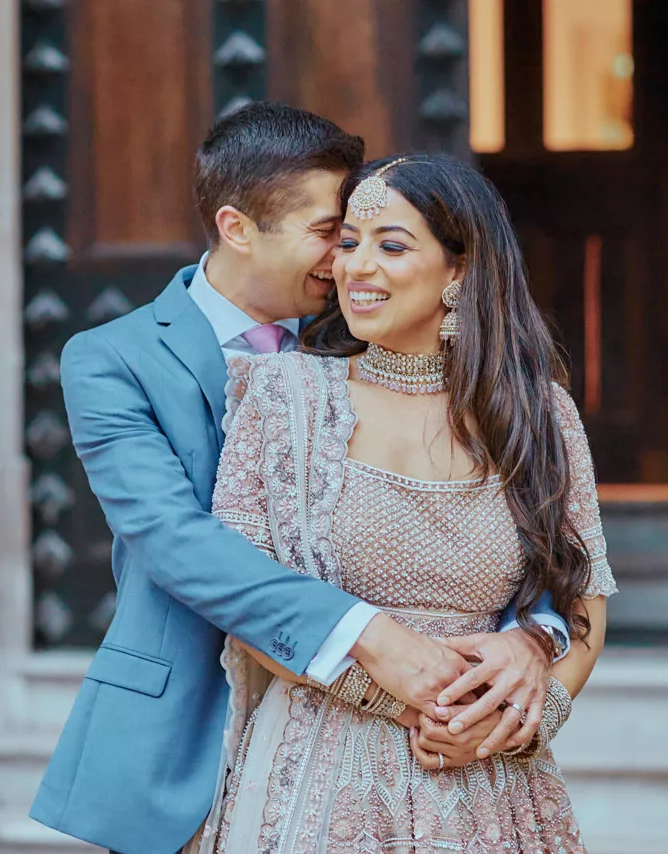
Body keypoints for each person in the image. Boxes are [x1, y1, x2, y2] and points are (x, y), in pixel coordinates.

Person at [29, 104, 569, 854]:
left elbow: (494, 508)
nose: (347, 261)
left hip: (382, 747)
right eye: (330, 233)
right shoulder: (112, 359)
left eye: (360, 235)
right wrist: (368, 636)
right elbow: (172, 538)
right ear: (237, 227)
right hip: (186, 736)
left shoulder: (373, 331)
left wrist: (532, 638)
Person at [188, 154, 616, 854]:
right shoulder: (283, 399)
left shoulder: (538, 414)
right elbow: (251, 603)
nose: (357, 268)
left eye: (391, 246)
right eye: (348, 244)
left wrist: (531, 694)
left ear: (460, 271)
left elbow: (584, 601)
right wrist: (418, 706)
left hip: (490, 785)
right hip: (318, 782)